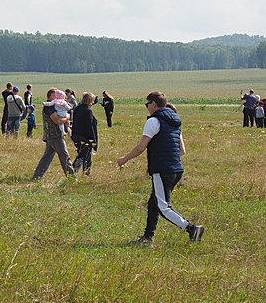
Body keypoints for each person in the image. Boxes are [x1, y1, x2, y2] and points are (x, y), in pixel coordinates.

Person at [117, 91, 204, 245]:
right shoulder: (175, 122)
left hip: (162, 170)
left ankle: (191, 228)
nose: (146, 107)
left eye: (147, 104)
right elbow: (182, 151)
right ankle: (147, 238)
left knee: (163, 207)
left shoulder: (154, 121)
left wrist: (124, 159)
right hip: (177, 169)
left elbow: (141, 147)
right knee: (154, 203)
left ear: (154, 104)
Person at [31, 88, 75, 180]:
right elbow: (57, 121)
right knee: (64, 156)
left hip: (51, 135)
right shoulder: (49, 107)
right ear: (51, 96)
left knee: (47, 157)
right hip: (54, 135)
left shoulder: (55, 106)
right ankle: (71, 178)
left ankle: (37, 176)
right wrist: (67, 118)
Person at [71, 92, 99, 175]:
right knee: (83, 156)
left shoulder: (77, 109)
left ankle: (84, 173)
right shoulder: (88, 111)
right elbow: (90, 126)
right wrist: (93, 140)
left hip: (76, 136)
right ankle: (73, 172)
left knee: (84, 155)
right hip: (85, 138)